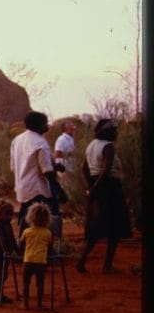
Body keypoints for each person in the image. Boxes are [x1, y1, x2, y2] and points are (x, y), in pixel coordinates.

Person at [77, 119, 131, 274]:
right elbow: (106, 170)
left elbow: (84, 169)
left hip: (97, 188)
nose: (116, 132)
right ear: (106, 132)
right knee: (115, 227)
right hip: (110, 188)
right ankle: (107, 265)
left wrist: (90, 187)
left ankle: (82, 261)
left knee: (95, 226)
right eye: (113, 129)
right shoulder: (108, 146)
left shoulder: (91, 146)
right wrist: (96, 187)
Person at [10, 111, 66, 237]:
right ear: (40, 125)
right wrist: (59, 191)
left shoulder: (17, 140)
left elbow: (16, 165)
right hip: (38, 190)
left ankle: (22, 247)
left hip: (22, 188)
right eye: (46, 123)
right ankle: (47, 249)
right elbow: (46, 171)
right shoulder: (40, 143)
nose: (48, 125)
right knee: (46, 220)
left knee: (25, 219)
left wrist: (54, 166)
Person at [18, 202, 53, 310]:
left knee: (26, 284)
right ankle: (39, 304)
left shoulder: (26, 232)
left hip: (28, 261)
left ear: (30, 217)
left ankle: (25, 304)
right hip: (41, 262)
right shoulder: (48, 233)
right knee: (40, 284)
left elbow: (21, 245)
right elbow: (50, 247)